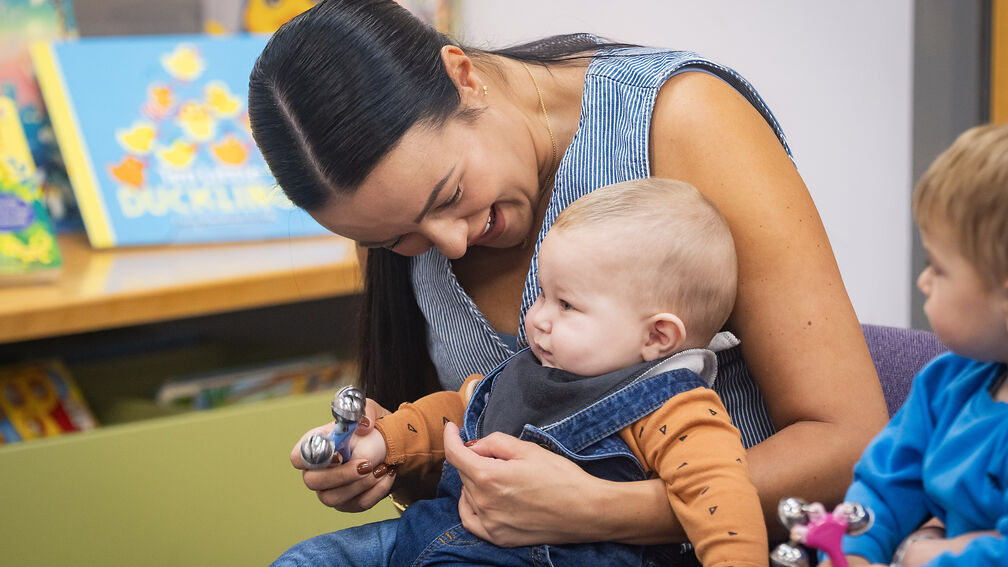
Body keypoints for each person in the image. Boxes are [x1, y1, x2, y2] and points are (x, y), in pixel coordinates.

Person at [247, 0, 888, 561]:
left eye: (451, 195)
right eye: (397, 240)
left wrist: (605, 509)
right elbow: (468, 475)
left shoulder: (678, 119)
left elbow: (848, 444)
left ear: (463, 78)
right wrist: (384, 457)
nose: (449, 243)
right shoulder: (395, 206)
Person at [275, 178, 769, 566]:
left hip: (546, 558)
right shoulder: (536, 365)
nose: (537, 317)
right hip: (427, 532)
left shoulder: (676, 408)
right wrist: (383, 442)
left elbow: (722, 499)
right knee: (304, 558)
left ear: (658, 337)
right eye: (543, 295)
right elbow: (456, 413)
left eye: (567, 305)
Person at [820, 124, 1008, 567]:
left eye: (937, 267)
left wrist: (925, 557)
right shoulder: (945, 384)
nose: (923, 281)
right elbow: (883, 486)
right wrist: (856, 551)